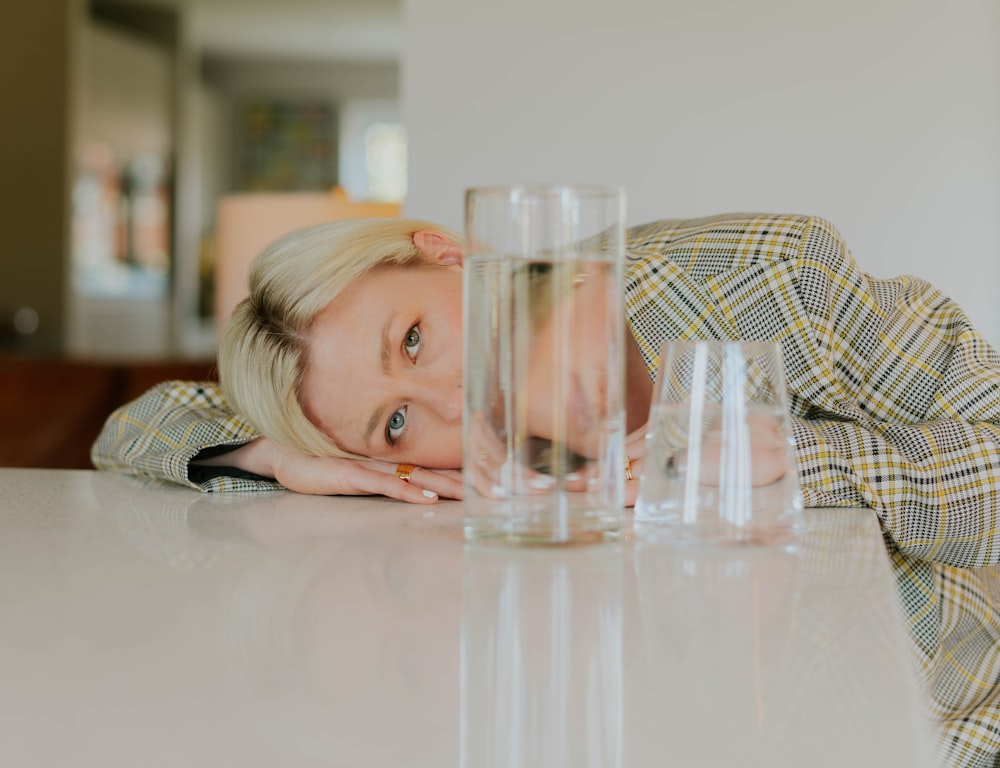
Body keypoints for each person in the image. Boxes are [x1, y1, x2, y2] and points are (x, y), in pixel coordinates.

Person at [94, 211, 1000, 766]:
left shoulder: (767, 277)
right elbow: (138, 423)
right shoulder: (465, 491)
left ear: (446, 255)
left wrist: (805, 467)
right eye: (396, 424)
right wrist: (277, 456)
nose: (446, 398)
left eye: (412, 340)